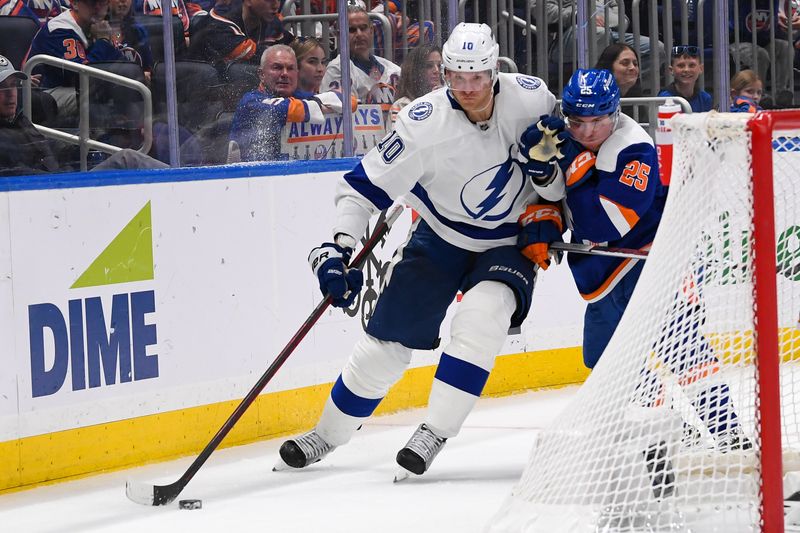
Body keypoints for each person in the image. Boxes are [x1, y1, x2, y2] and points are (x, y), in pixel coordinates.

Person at [278, 23, 558, 477]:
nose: (468, 88)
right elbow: (360, 189)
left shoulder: (534, 101)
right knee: (384, 345)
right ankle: (326, 435)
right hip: (441, 235)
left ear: (495, 70)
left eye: (477, 77)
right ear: (445, 71)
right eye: (457, 76)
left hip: (510, 242)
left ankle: (435, 430)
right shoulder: (422, 124)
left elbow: (568, 166)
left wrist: (557, 205)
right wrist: (338, 247)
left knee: (481, 321)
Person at [522, 68, 749, 452]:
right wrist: (542, 205)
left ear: (614, 112)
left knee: (684, 349)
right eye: (578, 121)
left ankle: (728, 431)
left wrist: (573, 173)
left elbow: (604, 225)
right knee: (607, 359)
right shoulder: (566, 139)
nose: (588, 131)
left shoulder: (635, 149)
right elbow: (553, 200)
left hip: (653, 263)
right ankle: (664, 429)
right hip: (605, 271)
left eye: (597, 120)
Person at [0, 55, 167, 175]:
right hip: (48, 195)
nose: (11, 94)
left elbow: (48, 154)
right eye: (3, 88)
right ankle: (186, 186)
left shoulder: (19, 121)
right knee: (127, 159)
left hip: (60, 186)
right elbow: (15, 173)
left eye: (13, 85)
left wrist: (78, 142)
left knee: (128, 155)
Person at [229, 44, 348, 161]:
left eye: (290, 68)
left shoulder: (297, 96)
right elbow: (286, 109)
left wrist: (317, 103)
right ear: (261, 74)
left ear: (297, 73)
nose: (285, 74)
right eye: (277, 68)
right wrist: (322, 106)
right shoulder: (251, 101)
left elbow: (348, 101)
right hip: (251, 176)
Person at [25, 0, 125, 120]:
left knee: (129, 89)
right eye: (92, 3)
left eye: (102, 3)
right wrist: (103, 41)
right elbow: (84, 76)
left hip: (74, 90)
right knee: (102, 96)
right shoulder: (60, 29)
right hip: (45, 93)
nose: (98, 8)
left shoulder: (98, 27)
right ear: (75, 4)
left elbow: (120, 62)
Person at [533, 0, 665, 89]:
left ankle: (631, 95)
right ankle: (597, 93)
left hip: (611, 31)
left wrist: (607, 20)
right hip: (568, 34)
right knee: (598, 33)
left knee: (654, 48)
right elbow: (541, 10)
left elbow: (621, 16)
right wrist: (580, 15)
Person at [321, 5, 401, 112]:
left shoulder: (393, 70)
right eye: (352, 30)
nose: (359, 34)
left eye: (363, 28)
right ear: (340, 35)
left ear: (371, 31)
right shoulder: (338, 69)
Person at [188, 0, 293, 67]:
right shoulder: (219, 22)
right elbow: (250, 54)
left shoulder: (270, 20)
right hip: (203, 91)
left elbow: (294, 45)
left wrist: (306, 45)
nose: (276, 5)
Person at [389, 44, 441, 127]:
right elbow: (398, 137)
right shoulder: (402, 105)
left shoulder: (447, 100)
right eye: (429, 66)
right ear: (416, 70)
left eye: (439, 65)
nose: (436, 70)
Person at [657, 45, 712, 113]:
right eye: (681, 65)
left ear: (701, 69)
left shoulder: (705, 98)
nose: (686, 70)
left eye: (692, 65)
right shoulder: (665, 98)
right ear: (671, 70)